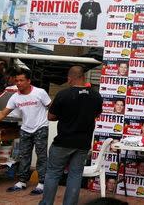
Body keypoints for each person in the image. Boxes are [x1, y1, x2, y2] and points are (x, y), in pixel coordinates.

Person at [0, 69, 50, 194]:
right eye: (17, 80)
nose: (18, 83)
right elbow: (3, 113)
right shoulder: (15, 97)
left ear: (29, 81)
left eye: (21, 80)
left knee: (42, 156)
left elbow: (52, 107)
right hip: (25, 129)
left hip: (41, 128)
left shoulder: (40, 92)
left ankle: (42, 183)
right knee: (24, 156)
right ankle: (22, 181)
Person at [40, 66, 103, 205]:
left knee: (53, 174)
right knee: (75, 175)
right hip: (83, 143)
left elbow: (50, 117)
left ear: (70, 78)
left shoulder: (63, 94)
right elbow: (97, 115)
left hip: (63, 142)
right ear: (83, 77)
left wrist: (66, 115)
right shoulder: (96, 96)